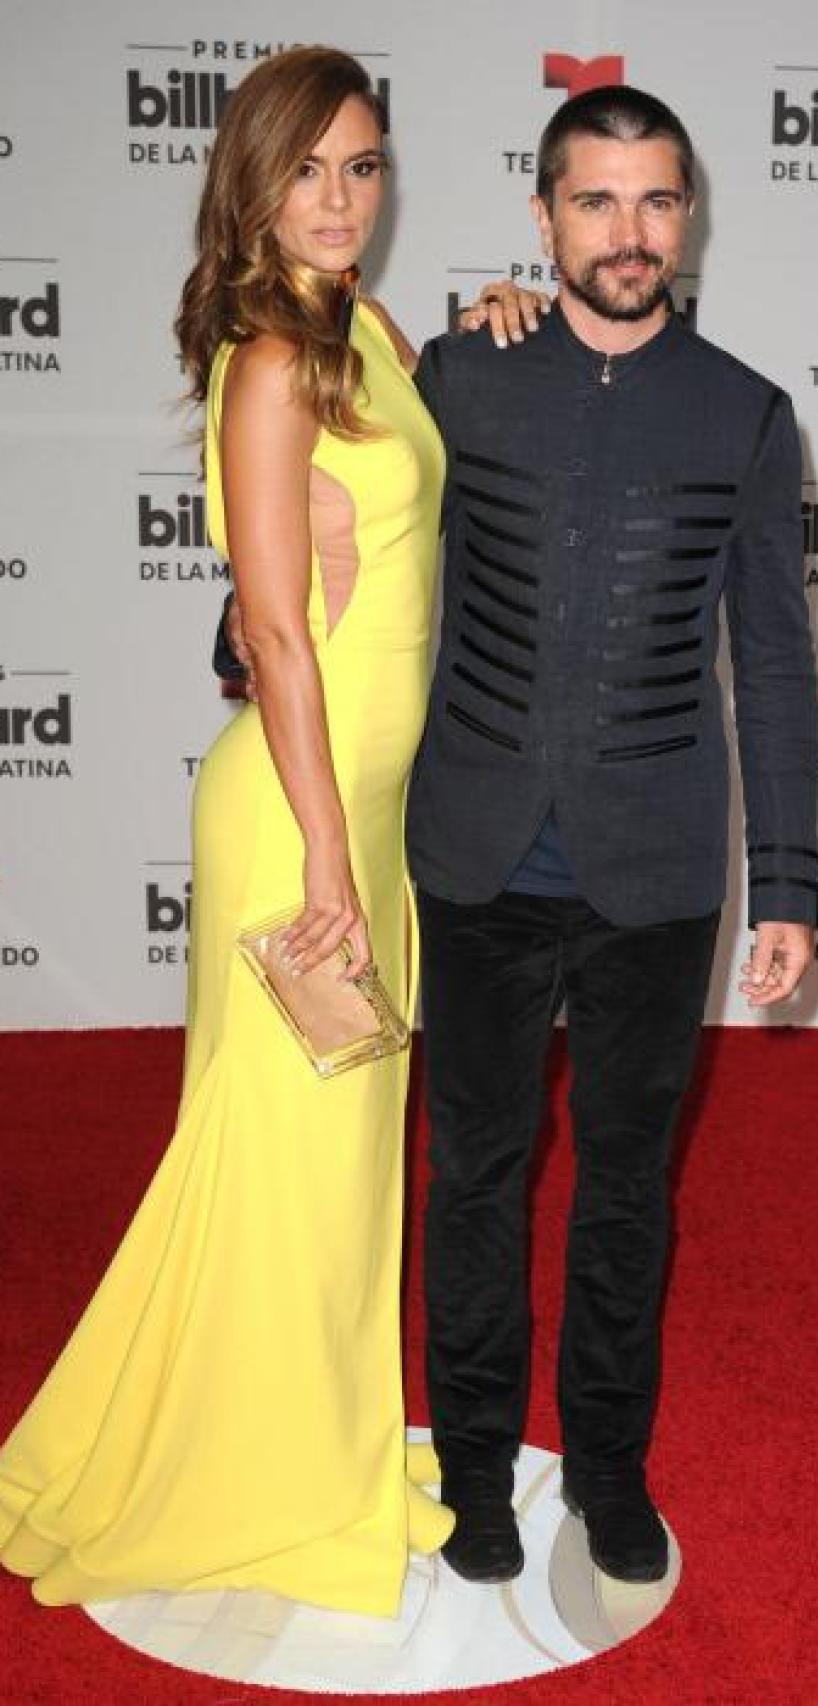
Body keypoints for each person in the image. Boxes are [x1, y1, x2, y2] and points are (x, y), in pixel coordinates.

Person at [0, 45, 541, 1615]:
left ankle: (329, 1444)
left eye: (364, 166)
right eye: (308, 168)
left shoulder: (361, 327)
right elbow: (277, 633)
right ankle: (251, 1472)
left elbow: (411, 490)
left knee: (346, 1162)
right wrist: (322, 860)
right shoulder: (265, 356)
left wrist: (488, 321)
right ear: (251, 177)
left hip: (368, 810)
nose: (339, 198)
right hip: (297, 815)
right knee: (277, 1157)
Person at [404, 85, 818, 1586]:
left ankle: (604, 1465)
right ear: (543, 216)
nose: (629, 233)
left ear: (686, 215)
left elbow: (772, 657)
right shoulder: (460, 372)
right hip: (478, 852)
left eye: (656, 202)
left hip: (654, 870)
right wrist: (242, 627)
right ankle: (468, 1474)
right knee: (477, 1173)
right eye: (596, 202)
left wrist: (787, 877)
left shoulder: (748, 413)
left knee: (629, 1182)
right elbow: (358, 529)